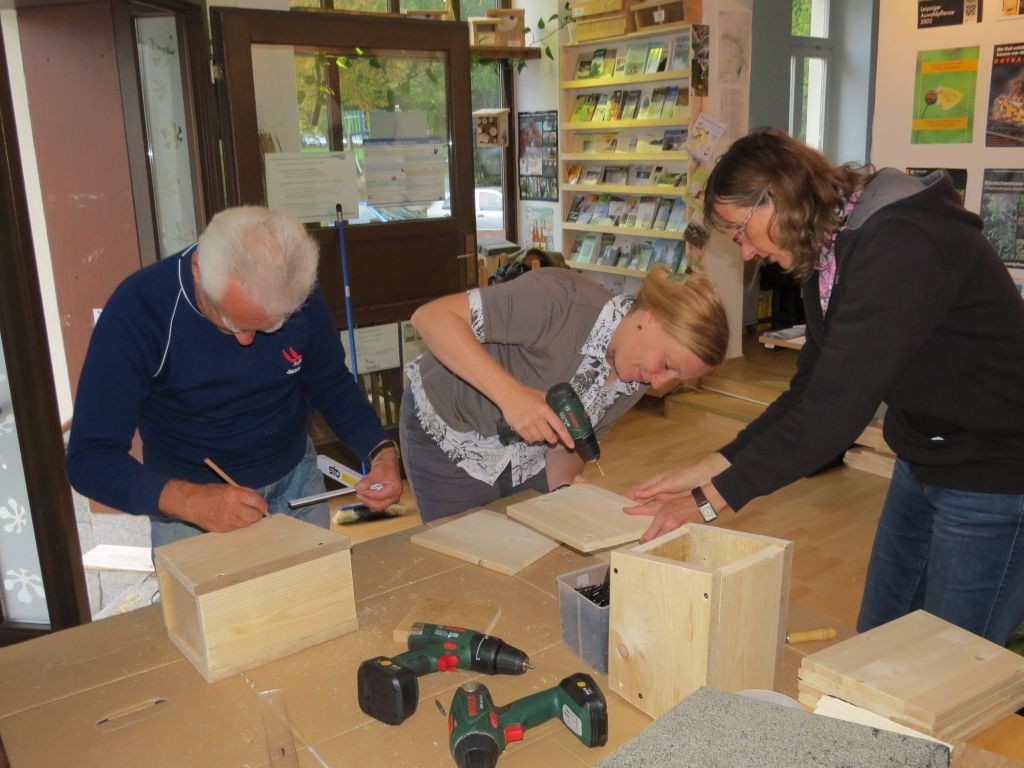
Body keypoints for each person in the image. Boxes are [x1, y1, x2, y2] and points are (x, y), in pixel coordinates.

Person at [628, 127, 1024, 644]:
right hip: (926, 456)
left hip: (997, 472)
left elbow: (834, 415)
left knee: (951, 665)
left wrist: (709, 500)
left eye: (740, 229)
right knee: (878, 642)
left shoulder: (902, 243)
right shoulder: (832, 250)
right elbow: (809, 390)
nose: (744, 252)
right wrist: (713, 464)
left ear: (778, 198)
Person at [66, 206, 402, 547]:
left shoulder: (292, 288)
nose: (247, 341)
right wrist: (189, 501)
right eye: (230, 322)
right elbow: (89, 458)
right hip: (193, 512)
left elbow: (329, 381)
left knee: (314, 596)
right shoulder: (138, 312)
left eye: (271, 326)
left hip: (297, 483)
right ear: (197, 270)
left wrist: (381, 451)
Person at [400, 265, 729, 522]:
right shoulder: (560, 300)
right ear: (649, 320)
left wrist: (565, 486)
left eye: (674, 377)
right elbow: (431, 318)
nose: (658, 383)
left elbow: (568, 442)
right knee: (462, 560)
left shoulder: (636, 376)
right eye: (667, 364)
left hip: (523, 456)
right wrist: (510, 396)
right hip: (450, 435)